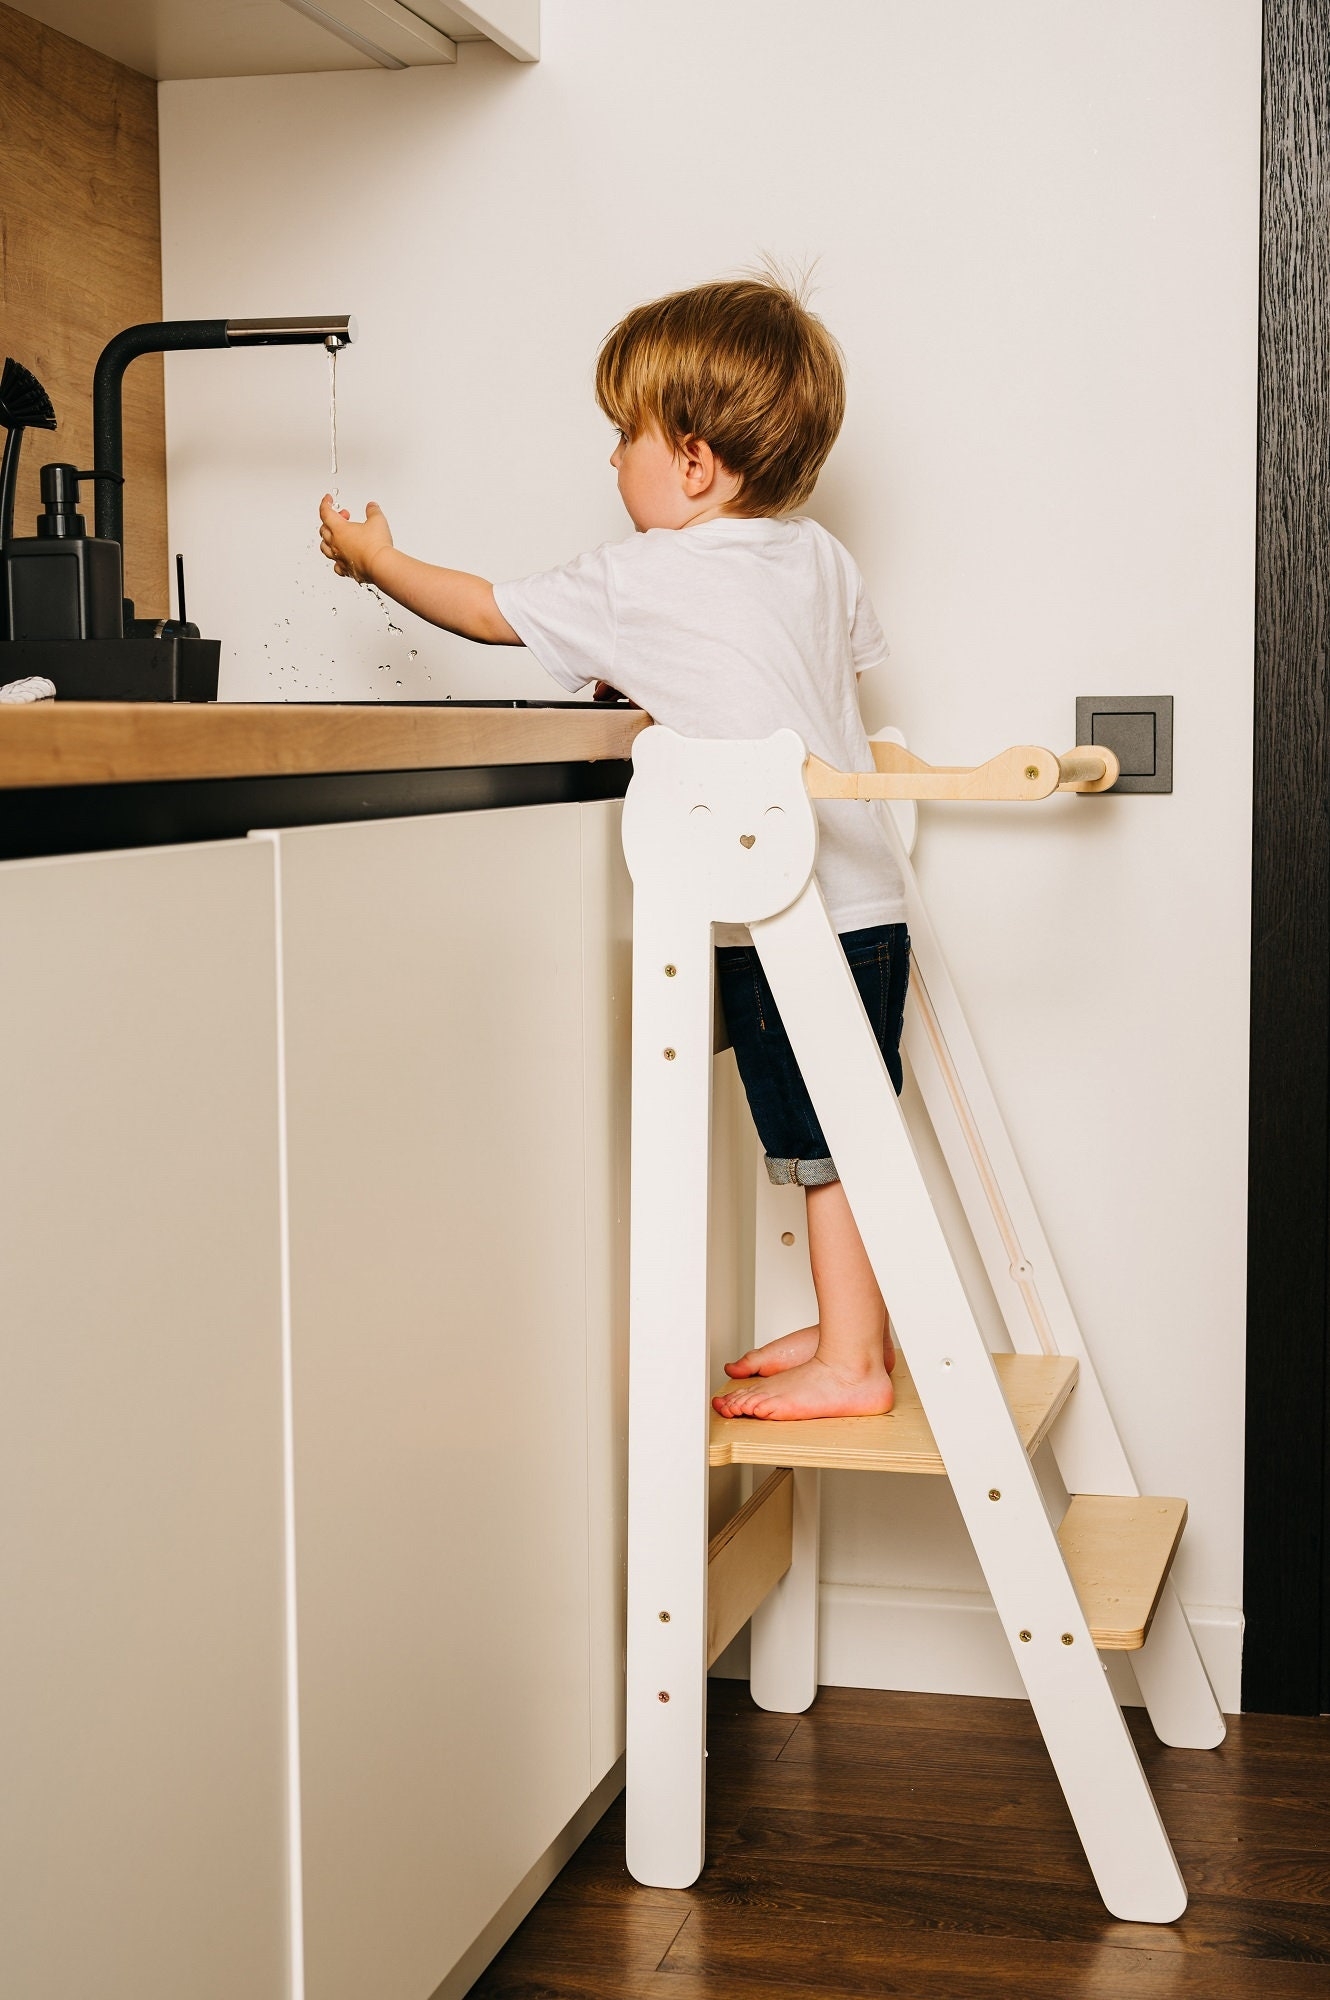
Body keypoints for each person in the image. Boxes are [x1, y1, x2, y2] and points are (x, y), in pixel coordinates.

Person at [318, 274, 909, 1420]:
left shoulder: (643, 574)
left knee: (824, 1142)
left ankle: (855, 1361)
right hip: (863, 886)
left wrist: (379, 562)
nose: (610, 463)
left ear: (691, 463)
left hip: (784, 900)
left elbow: (492, 610)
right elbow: (791, 677)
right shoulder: (818, 556)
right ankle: (853, 1330)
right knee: (848, 1120)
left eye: (622, 436)